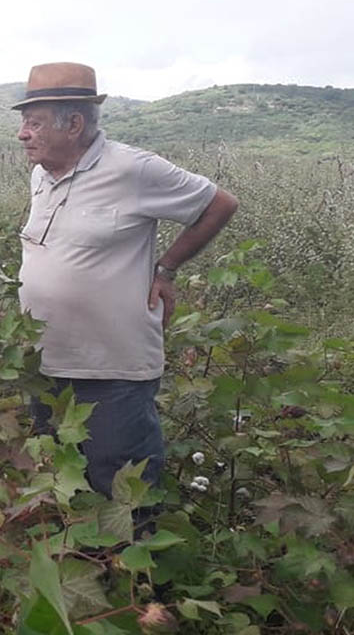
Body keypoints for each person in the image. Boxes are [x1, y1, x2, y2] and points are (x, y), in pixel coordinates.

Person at [14, 62, 238, 498]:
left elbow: (219, 204)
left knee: (121, 487)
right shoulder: (41, 175)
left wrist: (167, 269)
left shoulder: (133, 169)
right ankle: (82, 562)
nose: (23, 133)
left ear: (74, 124)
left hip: (111, 369)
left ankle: (130, 564)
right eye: (24, 122)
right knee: (61, 480)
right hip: (44, 362)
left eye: (34, 123)